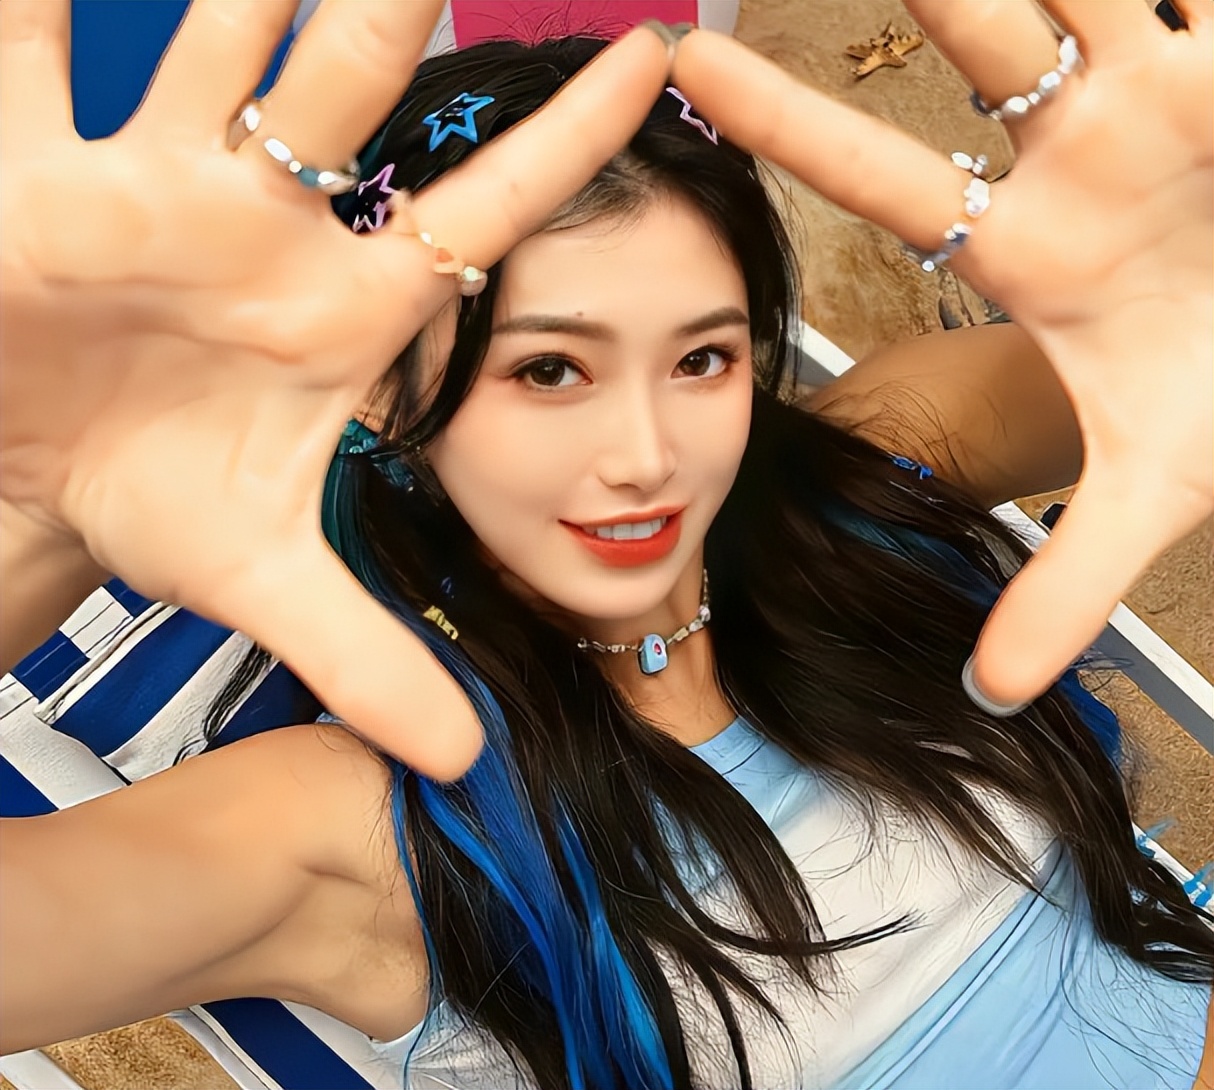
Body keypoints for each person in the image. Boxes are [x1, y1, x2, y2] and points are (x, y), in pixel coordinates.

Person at [1, 1, 1211, 1088]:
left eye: (701, 358)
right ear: (378, 388)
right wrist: (38, 525)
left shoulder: (859, 476)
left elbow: (1168, 359)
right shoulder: (364, 830)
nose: (645, 455)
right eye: (548, 369)